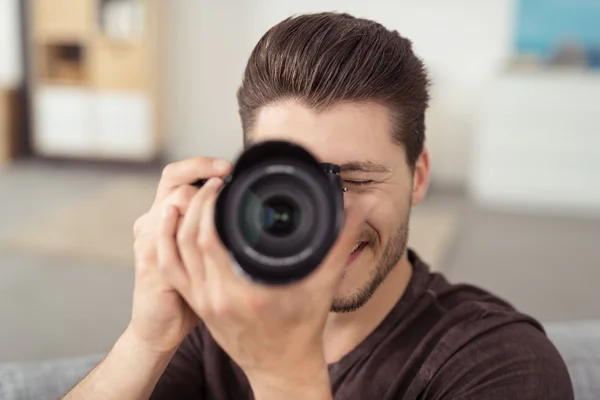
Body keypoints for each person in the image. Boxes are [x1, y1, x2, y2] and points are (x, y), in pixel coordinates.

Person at [63, 12, 574, 400]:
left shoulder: (499, 363)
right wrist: (148, 339)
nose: (329, 219)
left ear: (418, 178)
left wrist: (283, 374)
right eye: (296, 184)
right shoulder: (220, 321)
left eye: (356, 178)